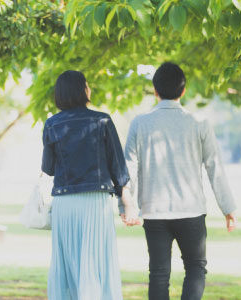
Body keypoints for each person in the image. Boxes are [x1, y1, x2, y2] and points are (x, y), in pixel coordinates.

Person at [124, 62, 237, 300]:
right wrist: (228, 208)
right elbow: (214, 165)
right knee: (195, 268)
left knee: (158, 274)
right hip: (191, 210)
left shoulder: (139, 124)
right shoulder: (199, 123)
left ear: (155, 91)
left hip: (154, 211)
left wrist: (127, 206)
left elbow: (129, 168)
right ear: (183, 91)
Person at [42, 70, 139, 300]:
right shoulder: (102, 120)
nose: (90, 88)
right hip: (94, 203)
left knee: (68, 268)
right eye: (87, 84)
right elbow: (117, 166)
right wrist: (127, 203)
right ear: (82, 89)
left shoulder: (51, 124)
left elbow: (48, 168)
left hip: (64, 204)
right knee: (95, 266)